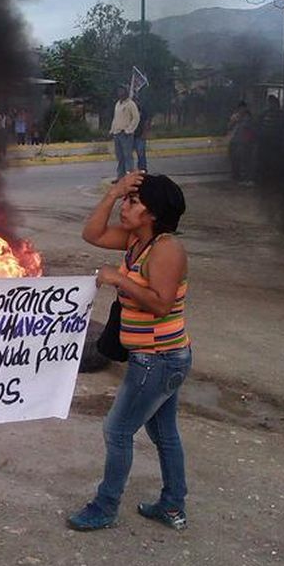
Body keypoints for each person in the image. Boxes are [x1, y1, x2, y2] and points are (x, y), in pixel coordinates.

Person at [66, 170, 192, 532]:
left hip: (159, 359)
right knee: (163, 433)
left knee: (117, 430)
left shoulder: (166, 249)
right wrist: (114, 192)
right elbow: (92, 234)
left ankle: (105, 506)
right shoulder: (137, 241)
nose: (125, 206)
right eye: (126, 200)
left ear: (152, 213)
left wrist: (119, 279)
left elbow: (162, 304)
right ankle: (172, 505)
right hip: (156, 357)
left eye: (133, 202)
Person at [110, 85, 140, 180]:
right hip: (117, 133)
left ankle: (129, 177)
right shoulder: (118, 104)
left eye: (122, 91)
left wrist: (129, 130)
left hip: (126, 134)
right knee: (120, 157)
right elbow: (115, 118)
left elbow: (136, 118)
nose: (120, 93)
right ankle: (120, 177)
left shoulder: (131, 104)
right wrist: (112, 130)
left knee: (127, 156)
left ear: (126, 92)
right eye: (118, 91)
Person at [228, 101, 256, 184]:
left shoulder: (248, 118)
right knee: (235, 160)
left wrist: (239, 120)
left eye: (242, 108)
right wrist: (233, 121)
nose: (241, 110)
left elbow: (249, 129)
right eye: (239, 108)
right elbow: (229, 127)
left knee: (245, 161)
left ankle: (248, 178)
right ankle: (236, 177)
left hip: (244, 142)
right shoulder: (235, 117)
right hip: (234, 141)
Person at [133, 102, 151, 172]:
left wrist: (145, 133)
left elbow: (146, 121)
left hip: (140, 135)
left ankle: (142, 169)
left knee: (141, 153)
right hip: (131, 135)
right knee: (128, 155)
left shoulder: (142, 110)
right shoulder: (130, 108)